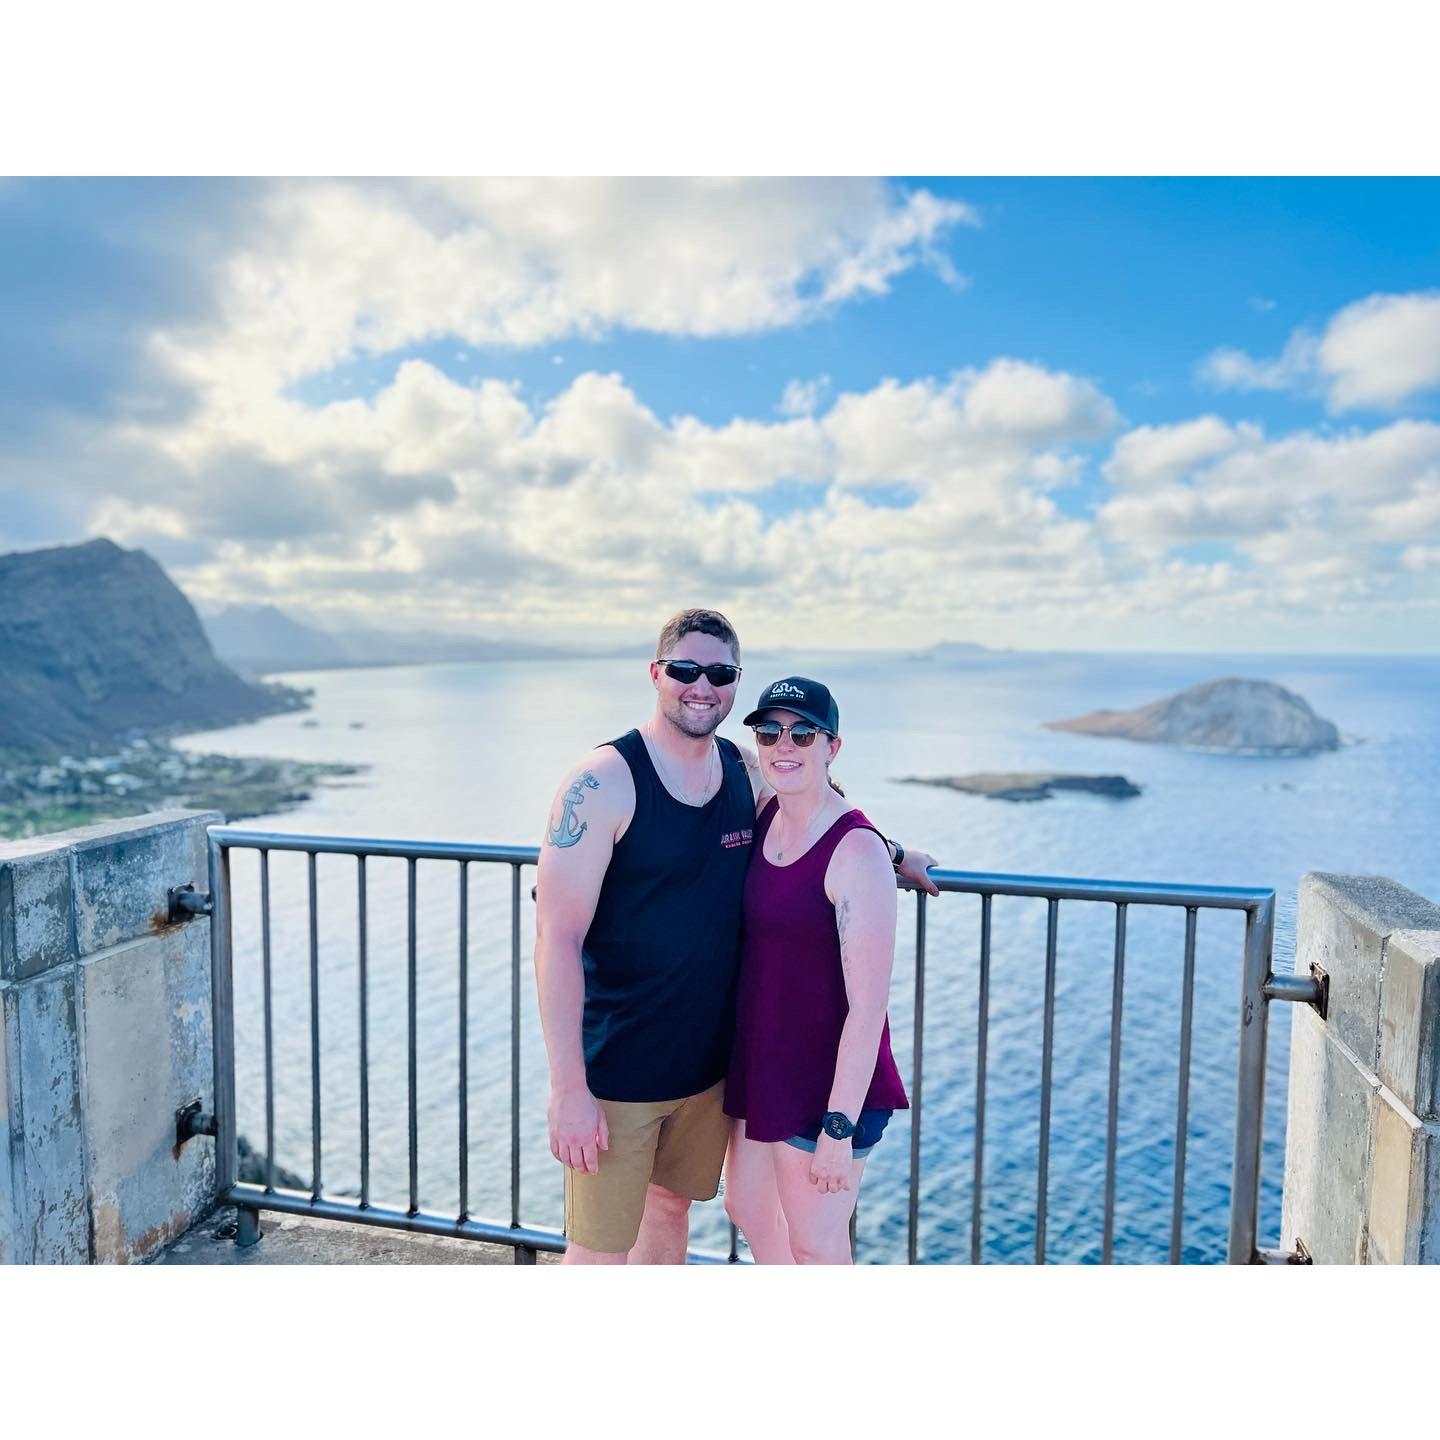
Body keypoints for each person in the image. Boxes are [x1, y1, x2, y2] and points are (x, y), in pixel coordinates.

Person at [534, 609, 937, 1265]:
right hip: (619, 1068)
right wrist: (567, 1088)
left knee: (673, 1210)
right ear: (657, 674)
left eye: (719, 673)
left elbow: (818, 813)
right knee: (600, 1252)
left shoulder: (740, 771)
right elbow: (555, 938)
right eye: (685, 670)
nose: (702, 686)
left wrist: (888, 853)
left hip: (708, 1073)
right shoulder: (602, 781)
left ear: (734, 681)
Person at [721, 676, 908, 1264]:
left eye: (804, 732)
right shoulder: (767, 810)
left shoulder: (856, 853)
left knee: (817, 1248)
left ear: (832, 746)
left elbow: (867, 1009)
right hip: (766, 1063)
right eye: (770, 731)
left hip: (828, 1082)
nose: (785, 744)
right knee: (748, 1208)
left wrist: (838, 1129)